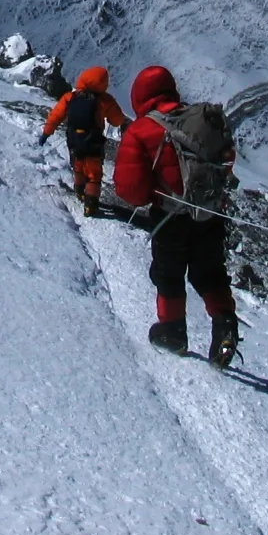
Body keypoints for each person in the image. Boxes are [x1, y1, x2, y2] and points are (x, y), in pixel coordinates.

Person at [114, 64, 240, 367]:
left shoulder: (142, 130)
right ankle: (225, 322)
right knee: (209, 271)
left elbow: (130, 189)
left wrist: (151, 197)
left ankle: (173, 331)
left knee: (168, 274)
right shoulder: (200, 120)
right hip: (209, 214)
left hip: (170, 218)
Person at [41, 66, 127, 216]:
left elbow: (55, 115)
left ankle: (80, 191)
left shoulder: (70, 97)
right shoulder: (105, 101)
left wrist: (46, 133)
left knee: (78, 166)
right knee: (94, 174)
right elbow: (117, 120)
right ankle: (91, 204)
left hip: (74, 141)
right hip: (93, 143)